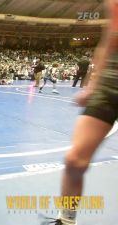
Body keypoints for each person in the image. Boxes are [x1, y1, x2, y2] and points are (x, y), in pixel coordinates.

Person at [43, 1, 118, 224]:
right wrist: (93, 84)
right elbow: (109, 39)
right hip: (110, 83)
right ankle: (66, 220)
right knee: (75, 161)